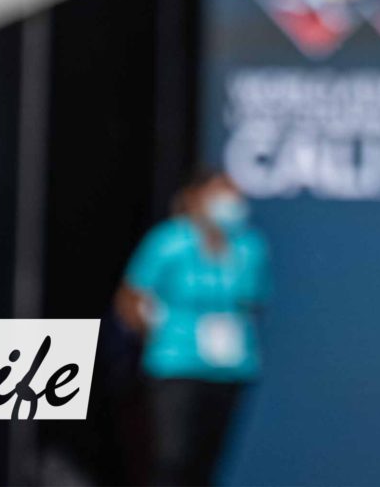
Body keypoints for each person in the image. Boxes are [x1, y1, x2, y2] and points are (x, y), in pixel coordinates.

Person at [116, 169, 270, 487]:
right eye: (220, 192)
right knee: (172, 457)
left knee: (208, 460)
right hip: (176, 365)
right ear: (196, 198)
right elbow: (131, 298)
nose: (230, 201)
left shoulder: (249, 246)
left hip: (230, 367)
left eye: (234, 193)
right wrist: (154, 335)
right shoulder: (169, 241)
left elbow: (254, 300)